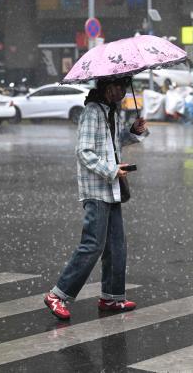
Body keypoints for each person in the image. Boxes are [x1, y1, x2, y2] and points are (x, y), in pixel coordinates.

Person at [44, 76, 148, 320]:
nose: (121, 92)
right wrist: (111, 170)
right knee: (92, 245)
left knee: (116, 246)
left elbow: (113, 142)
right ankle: (57, 295)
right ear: (105, 87)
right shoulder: (92, 112)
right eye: (117, 87)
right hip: (96, 189)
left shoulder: (110, 111)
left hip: (111, 189)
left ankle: (112, 297)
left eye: (124, 87)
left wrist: (134, 131)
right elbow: (84, 152)